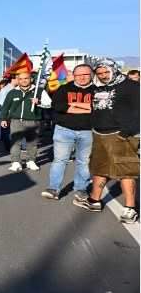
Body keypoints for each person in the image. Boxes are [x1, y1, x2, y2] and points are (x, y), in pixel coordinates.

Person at [74, 59, 140, 223]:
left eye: (106, 72)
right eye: (100, 73)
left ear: (114, 69)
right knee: (99, 168)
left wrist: (125, 133)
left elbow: (138, 111)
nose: (103, 76)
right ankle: (94, 201)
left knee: (125, 170)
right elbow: (97, 109)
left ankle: (130, 209)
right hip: (99, 134)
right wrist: (94, 126)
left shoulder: (130, 86)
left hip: (121, 135)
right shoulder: (98, 87)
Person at [41, 65, 94, 201]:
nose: (82, 77)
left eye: (86, 74)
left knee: (84, 162)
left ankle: (81, 188)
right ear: (74, 76)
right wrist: (87, 107)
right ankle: (53, 188)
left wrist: (73, 106)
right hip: (64, 130)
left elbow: (98, 107)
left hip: (88, 131)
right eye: (78, 75)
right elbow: (59, 106)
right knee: (59, 160)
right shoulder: (64, 88)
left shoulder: (98, 91)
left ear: (91, 74)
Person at [0, 71, 46, 172]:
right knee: (15, 142)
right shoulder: (12, 92)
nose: (23, 81)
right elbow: (5, 106)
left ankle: (31, 161)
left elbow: (49, 104)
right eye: (20, 79)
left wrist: (39, 102)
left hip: (33, 121)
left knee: (32, 143)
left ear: (31, 79)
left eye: (25, 78)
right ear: (18, 80)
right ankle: (16, 162)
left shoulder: (39, 90)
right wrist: (3, 119)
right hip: (16, 121)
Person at [0, 73, 19, 152]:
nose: (20, 80)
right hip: (8, 113)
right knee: (6, 130)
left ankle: (16, 145)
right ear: (13, 79)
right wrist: (3, 115)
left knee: (17, 130)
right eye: (18, 78)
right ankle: (8, 146)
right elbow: (2, 103)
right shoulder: (5, 89)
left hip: (17, 113)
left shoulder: (18, 89)